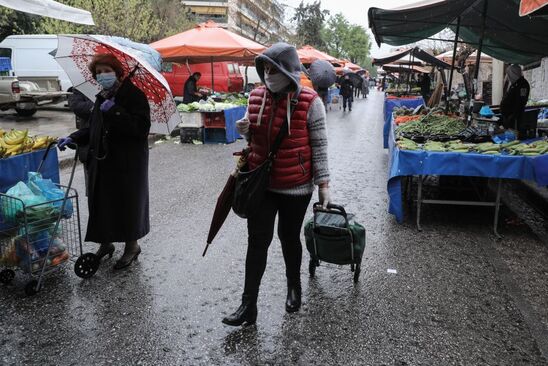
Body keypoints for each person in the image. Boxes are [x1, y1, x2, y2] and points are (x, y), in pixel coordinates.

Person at [223, 42, 331, 326]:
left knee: (288, 238)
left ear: (289, 71)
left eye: (275, 69)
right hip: (262, 182)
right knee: (257, 241)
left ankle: (293, 287)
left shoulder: (310, 102)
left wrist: (324, 186)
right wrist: (245, 130)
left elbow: (320, 146)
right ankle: (248, 305)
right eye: (266, 69)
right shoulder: (256, 96)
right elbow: (255, 139)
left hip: (296, 186)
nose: (269, 74)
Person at [57, 53, 151, 270]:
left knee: (127, 204)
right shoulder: (101, 97)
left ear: (118, 72)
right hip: (103, 160)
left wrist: (116, 111)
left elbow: (141, 129)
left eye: (107, 71)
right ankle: (105, 243)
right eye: (98, 72)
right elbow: (94, 128)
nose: (102, 75)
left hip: (127, 163)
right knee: (103, 203)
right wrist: (73, 137)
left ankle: (131, 247)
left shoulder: (134, 95)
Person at [500, 64, 530, 135]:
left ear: (514, 73)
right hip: (508, 116)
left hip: (514, 117)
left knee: (514, 134)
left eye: (510, 74)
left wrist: (513, 115)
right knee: (509, 133)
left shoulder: (523, 84)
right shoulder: (514, 84)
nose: (509, 77)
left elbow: (521, 101)